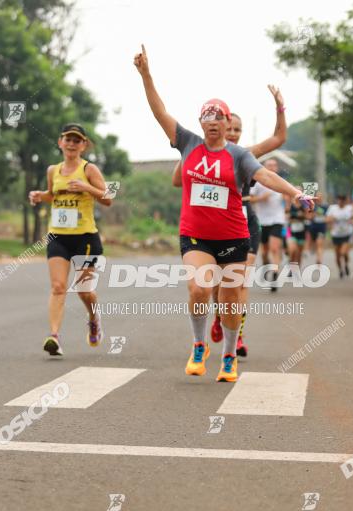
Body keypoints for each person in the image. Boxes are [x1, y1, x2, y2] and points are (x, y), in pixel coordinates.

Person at [133, 45, 313, 382]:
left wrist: (295, 192)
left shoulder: (240, 155)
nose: (213, 124)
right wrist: (146, 74)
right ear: (201, 122)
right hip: (196, 235)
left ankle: (229, 353)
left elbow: (266, 176)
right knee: (200, 289)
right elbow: (159, 112)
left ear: (227, 122)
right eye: (208, 119)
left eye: (219, 119)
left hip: (233, 237)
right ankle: (199, 345)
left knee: (230, 301)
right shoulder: (187, 143)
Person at [173, 87, 288, 358]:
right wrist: (185, 158)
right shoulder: (200, 151)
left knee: (239, 284)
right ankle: (217, 319)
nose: (234, 133)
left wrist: (279, 108)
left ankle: (237, 337)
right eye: (231, 128)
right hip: (209, 225)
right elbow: (177, 181)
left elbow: (280, 137)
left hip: (245, 220)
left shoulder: (246, 154)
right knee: (210, 285)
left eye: (238, 129)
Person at [28, 123, 112, 357]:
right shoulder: (53, 170)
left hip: (85, 238)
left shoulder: (89, 169)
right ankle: (54, 336)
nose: (72, 144)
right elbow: (52, 196)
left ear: (84, 145)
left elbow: (107, 198)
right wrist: (39, 196)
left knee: (84, 291)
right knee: (57, 287)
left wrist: (86, 187)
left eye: (77, 141)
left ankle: (94, 318)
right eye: (68, 140)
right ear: (60, 142)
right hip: (58, 236)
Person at [251, 158, 287, 292]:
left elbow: (289, 198)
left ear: (277, 168)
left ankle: (275, 275)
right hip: (261, 221)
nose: (272, 167)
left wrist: (288, 199)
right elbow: (250, 199)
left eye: (274, 165)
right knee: (265, 252)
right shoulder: (258, 183)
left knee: (275, 248)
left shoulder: (282, 183)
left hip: (277, 220)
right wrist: (262, 198)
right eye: (269, 165)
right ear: (264, 167)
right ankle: (267, 266)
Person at [326, 194, 353, 279]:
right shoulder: (332, 208)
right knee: (337, 255)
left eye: (342, 200)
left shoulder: (349, 208)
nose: (340, 202)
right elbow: (327, 219)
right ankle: (340, 270)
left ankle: (346, 264)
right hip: (336, 234)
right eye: (339, 200)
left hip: (347, 233)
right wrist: (332, 219)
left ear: (345, 201)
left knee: (344, 253)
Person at [286, 195, 309, 267]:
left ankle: (297, 269)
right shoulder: (290, 205)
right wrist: (296, 217)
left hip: (301, 232)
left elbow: (309, 217)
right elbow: (286, 216)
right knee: (293, 251)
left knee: (299, 253)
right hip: (291, 231)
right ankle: (291, 265)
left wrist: (303, 215)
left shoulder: (304, 206)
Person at [306, 192, 327, 265]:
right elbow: (308, 216)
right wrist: (313, 215)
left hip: (322, 228)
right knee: (315, 244)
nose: (319, 198)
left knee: (319, 243)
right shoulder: (312, 206)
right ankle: (313, 249)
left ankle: (319, 259)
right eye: (318, 197)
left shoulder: (325, 207)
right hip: (313, 227)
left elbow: (328, 217)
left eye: (320, 197)